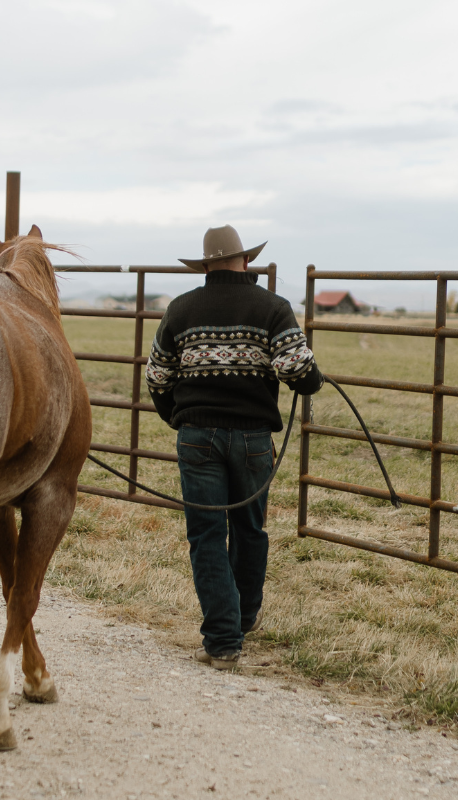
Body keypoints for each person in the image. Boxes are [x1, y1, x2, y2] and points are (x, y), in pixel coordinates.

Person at [145, 225, 324, 669]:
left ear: (206, 266)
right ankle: (243, 619)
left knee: (206, 534)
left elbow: (157, 378)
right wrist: (308, 378)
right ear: (246, 262)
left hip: (197, 436)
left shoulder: (181, 309)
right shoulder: (272, 308)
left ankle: (223, 642)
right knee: (250, 529)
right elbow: (302, 374)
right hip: (253, 439)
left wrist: (177, 417)